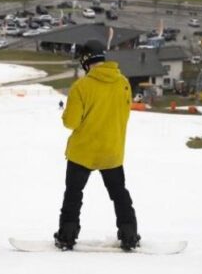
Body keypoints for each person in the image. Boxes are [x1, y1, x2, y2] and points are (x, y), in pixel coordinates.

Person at [54, 39, 140, 251]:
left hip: (83, 151)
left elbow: (70, 122)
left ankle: (67, 236)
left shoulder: (81, 87)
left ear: (85, 60)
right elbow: (124, 114)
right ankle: (129, 235)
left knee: (73, 194)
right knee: (119, 194)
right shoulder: (123, 83)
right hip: (112, 150)